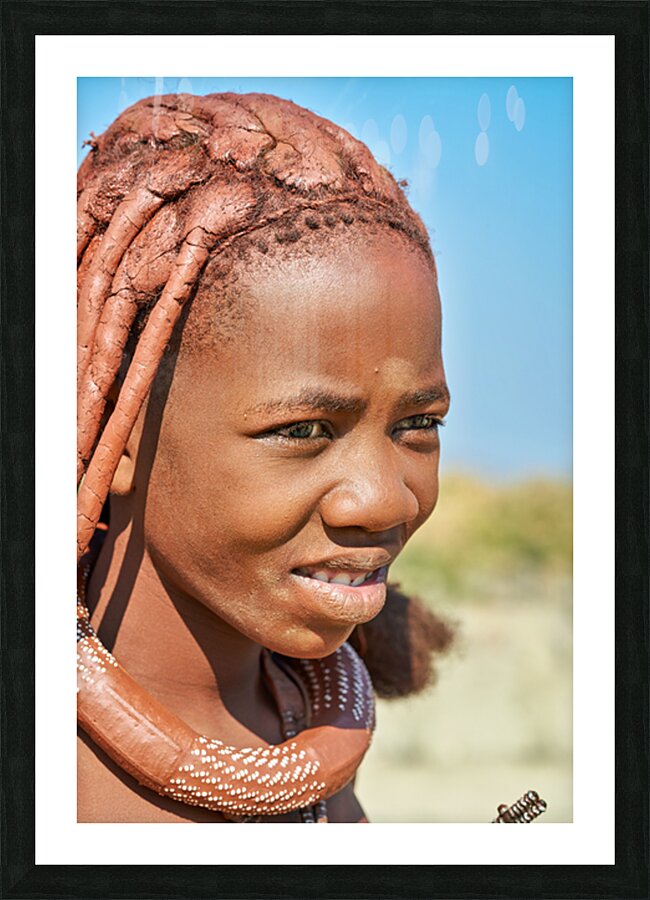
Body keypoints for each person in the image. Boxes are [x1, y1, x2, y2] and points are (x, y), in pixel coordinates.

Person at [76, 91, 453, 823]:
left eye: (418, 423)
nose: (387, 501)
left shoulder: (301, 730)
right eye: (304, 431)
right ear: (115, 428)